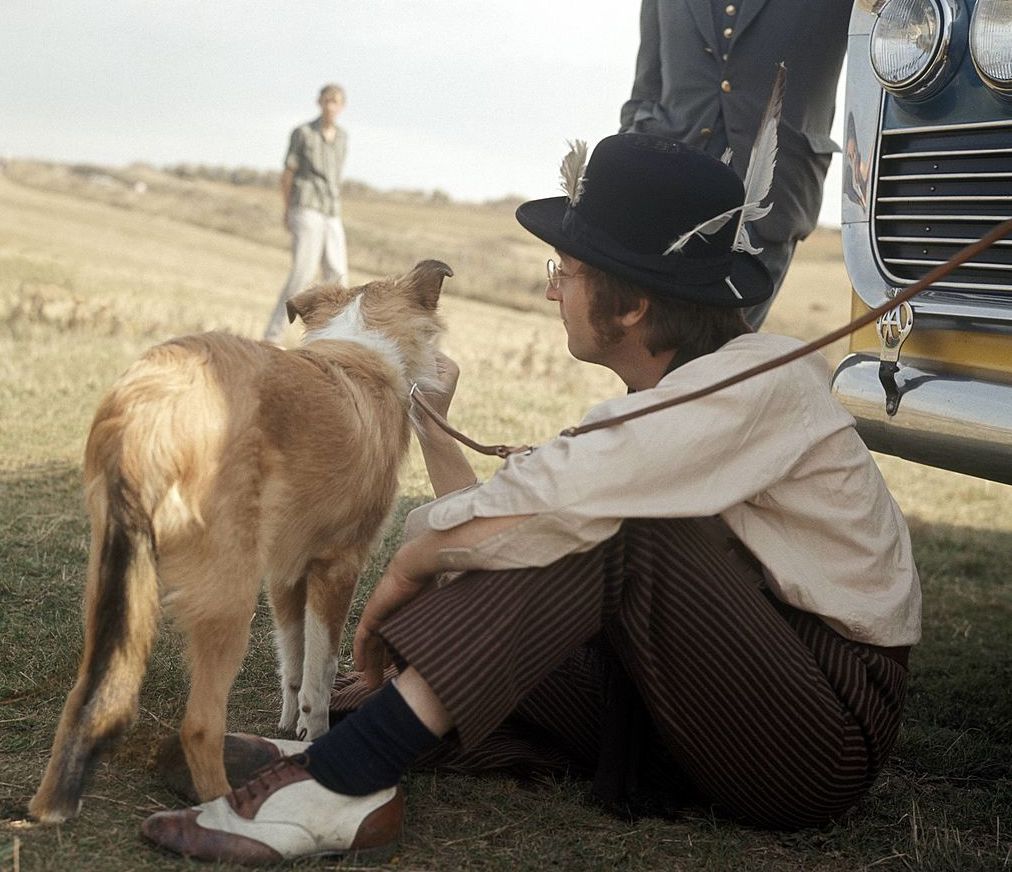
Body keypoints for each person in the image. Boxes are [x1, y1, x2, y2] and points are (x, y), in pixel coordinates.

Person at [142, 133, 920, 865]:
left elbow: (554, 513)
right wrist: (436, 433)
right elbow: (520, 529)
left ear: (631, 304)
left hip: (814, 733)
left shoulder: (766, 378)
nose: (552, 292)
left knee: (608, 532)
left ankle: (340, 780)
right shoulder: (678, 396)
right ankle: (322, 750)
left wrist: (412, 562)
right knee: (530, 542)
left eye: (565, 271)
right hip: (700, 697)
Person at [620, 0, 851, 328]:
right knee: (643, 342)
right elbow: (646, 86)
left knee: (721, 353)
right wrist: (623, 166)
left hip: (768, 187)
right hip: (661, 179)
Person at [262, 83, 350, 346]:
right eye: (327, 101)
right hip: (306, 206)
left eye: (336, 102)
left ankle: (331, 339)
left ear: (342, 107)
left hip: (331, 209)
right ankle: (273, 335)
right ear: (319, 103)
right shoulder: (302, 133)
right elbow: (287, 174)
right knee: (302, 274)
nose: (331, 107)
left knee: (338, 276)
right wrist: (287, 210)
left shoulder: (343, 137)